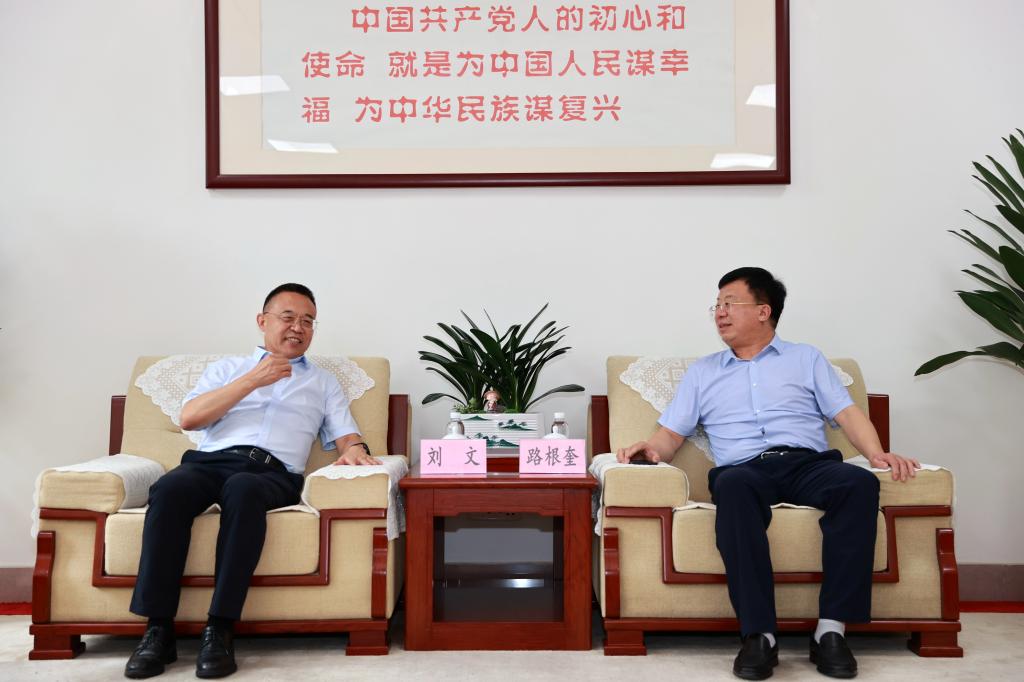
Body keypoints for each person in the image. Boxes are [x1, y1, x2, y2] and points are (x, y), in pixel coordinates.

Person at [616, 267, 919, 680]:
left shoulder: (806, 358)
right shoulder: (704, 372)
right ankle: (760, 634)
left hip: (807, 464)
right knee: (733, 485)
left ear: (764, 311)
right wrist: (650, 449)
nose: (720, 312)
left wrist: (877, 454)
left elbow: (847, 413)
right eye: (716, 305)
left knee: (858, 482)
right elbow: (671, 433)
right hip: (744, 470)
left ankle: (831, 630)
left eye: (730, 303)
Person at [124, 283, 381, 679]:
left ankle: (220, 628)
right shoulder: (227, 370)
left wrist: (356, 449)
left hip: (271, 473)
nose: (298, 327)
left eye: (308, 321)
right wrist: (253, 379)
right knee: (169, 489)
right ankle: (158, 630)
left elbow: (347, 435)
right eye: (288, 317)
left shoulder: (322, 382)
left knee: (242, 489)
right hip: (209, 462)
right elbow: (190, 418)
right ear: (263, 321)